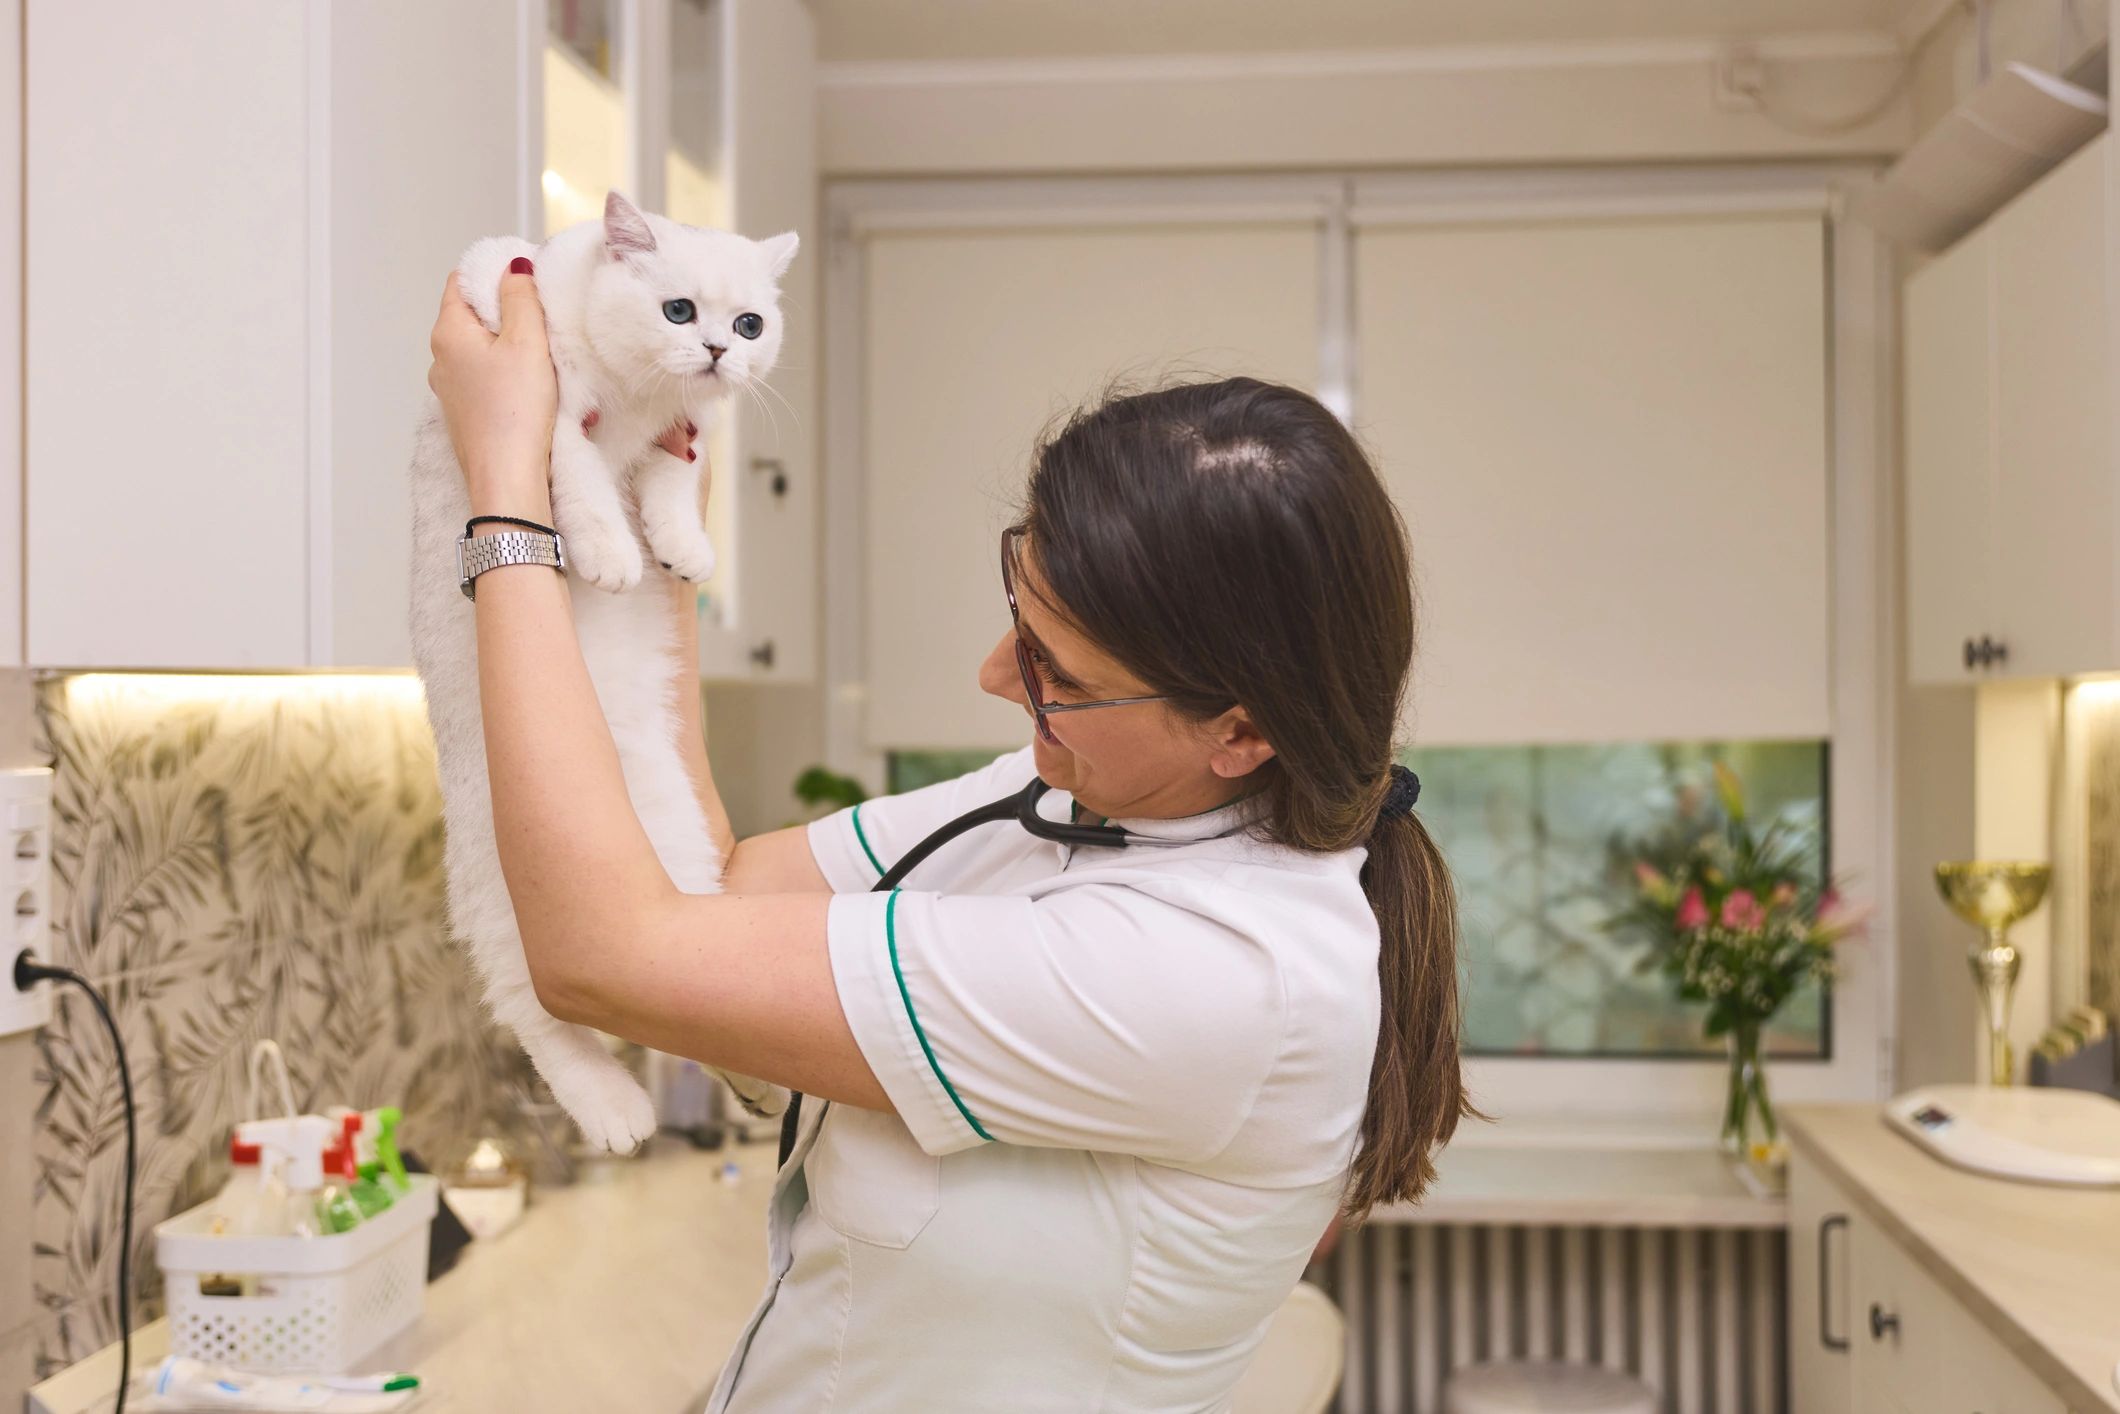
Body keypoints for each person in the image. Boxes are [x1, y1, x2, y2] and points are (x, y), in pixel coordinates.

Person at [426, 264, 1469, 1412]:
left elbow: (602, 955)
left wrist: (507, 498)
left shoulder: (1221, 972)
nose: (992, 678)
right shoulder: (1074, 793)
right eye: (1019, 617)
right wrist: (648, 504)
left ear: (1240, 733)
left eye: (1053, 673)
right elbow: (710, 890)